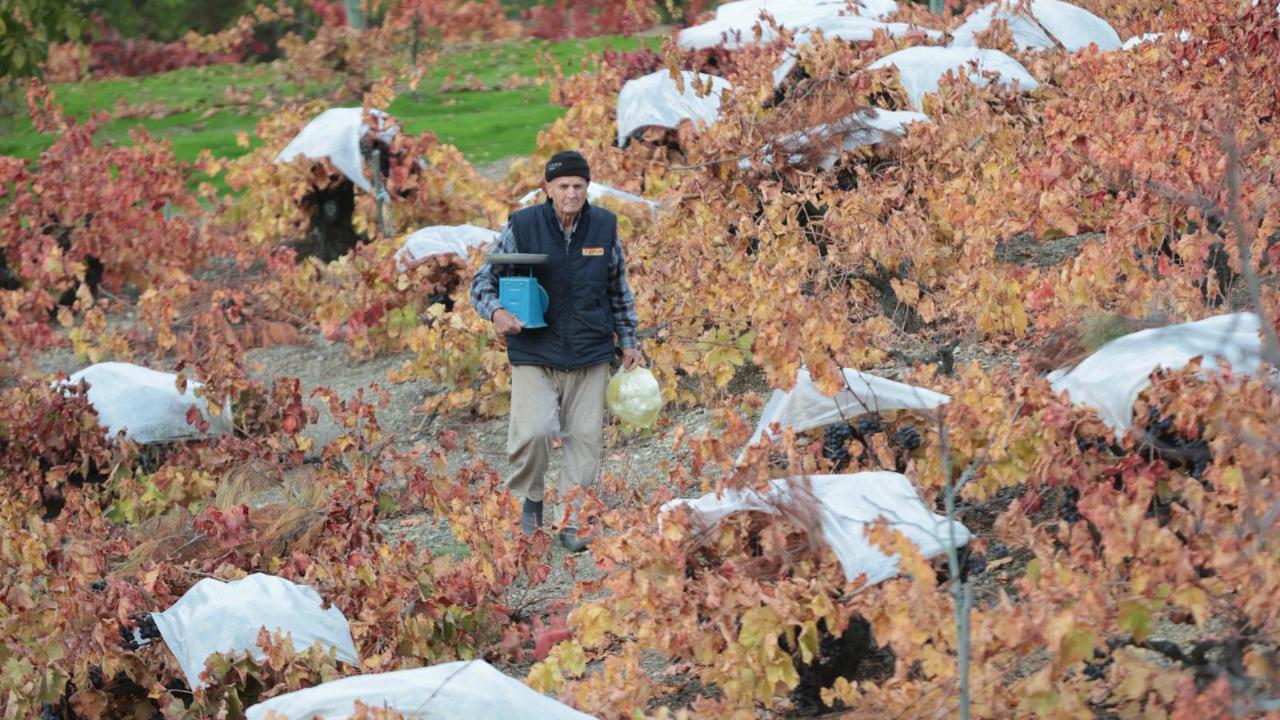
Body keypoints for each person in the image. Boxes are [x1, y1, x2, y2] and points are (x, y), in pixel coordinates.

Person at [470, 150, 642, 552]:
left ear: (587, 188)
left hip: (590, 348)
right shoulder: (523, 225)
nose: (571, 193)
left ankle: (571, 520)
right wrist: (495, 312)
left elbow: (618, 289)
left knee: (584, 439)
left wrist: (629, 339)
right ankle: (532, 501)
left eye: (578, 186)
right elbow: (482, 281)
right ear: (548, 188)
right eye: (563, 186)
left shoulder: (603, 227)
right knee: (534, 433)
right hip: (535, 346)